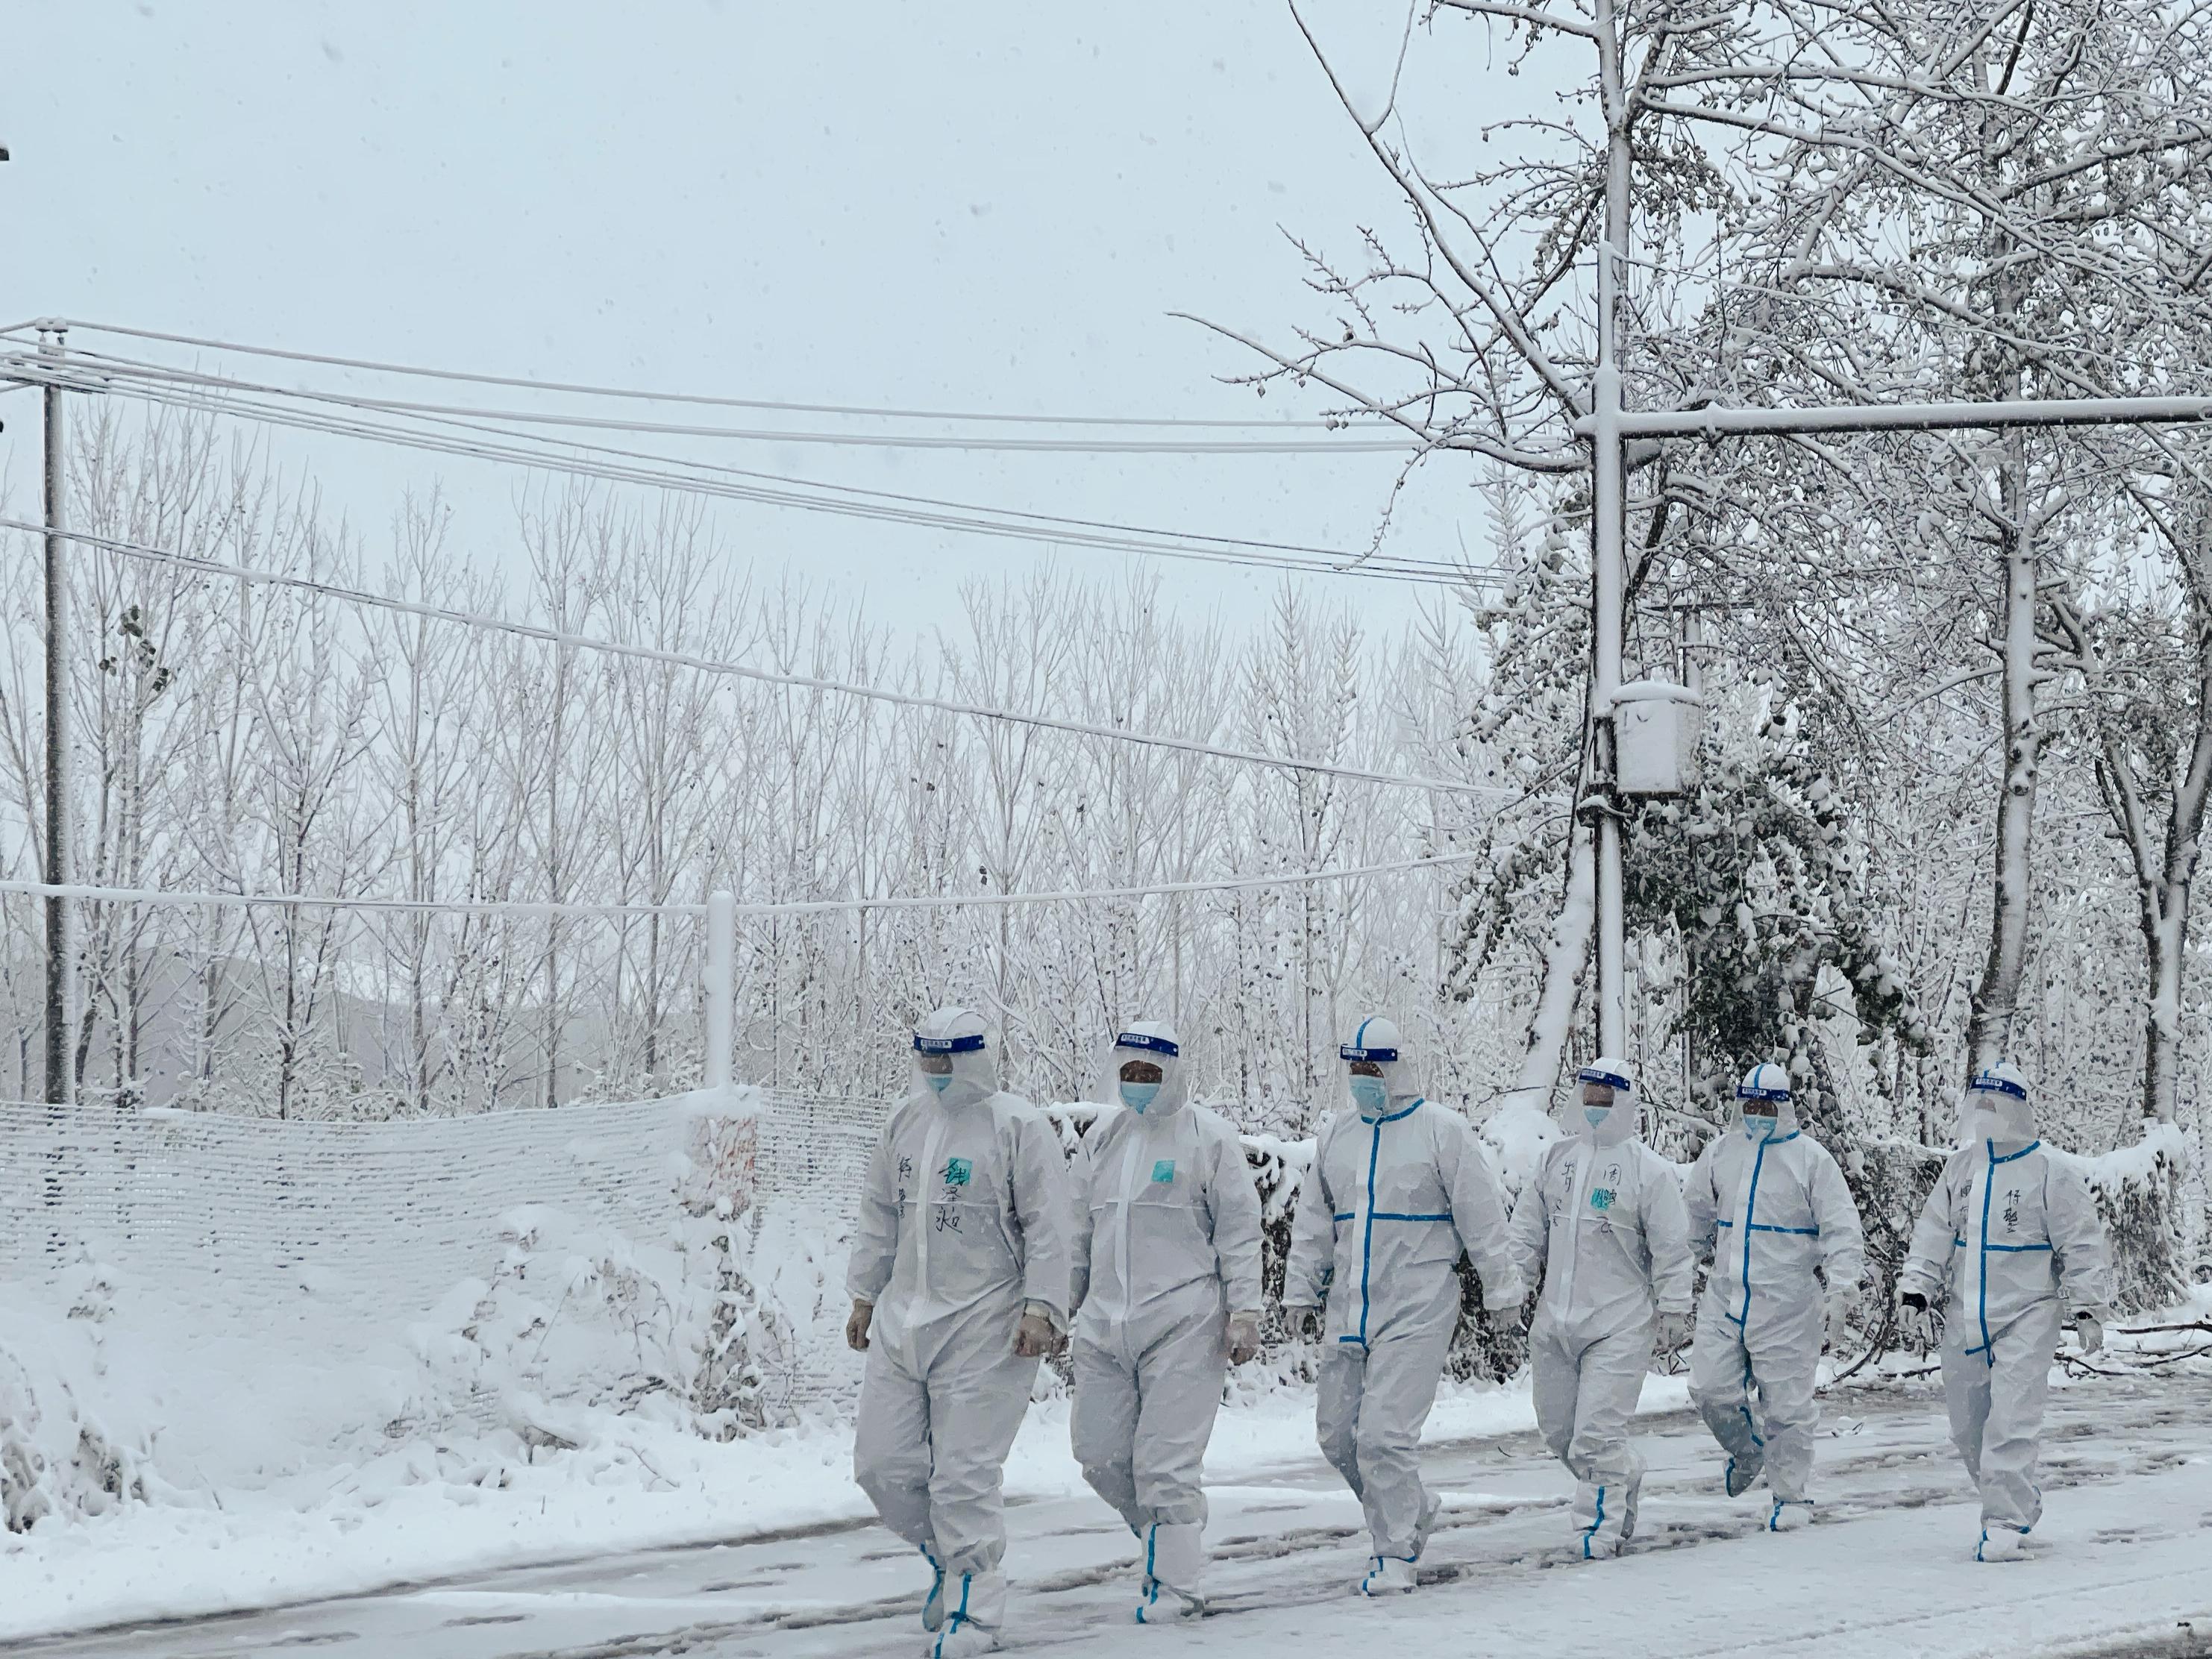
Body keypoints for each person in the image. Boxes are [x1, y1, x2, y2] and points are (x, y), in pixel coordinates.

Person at [846, 1006, 1075, 1658]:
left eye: (947, 1062)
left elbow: (1050, 1227)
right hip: (903, 1318)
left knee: (963, 1475)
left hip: (989, 1321)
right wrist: (865, 1294)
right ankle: (947, 1562)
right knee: (882, 1467)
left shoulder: (1017, 1127)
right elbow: (878, 1213)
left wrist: (1043, 1308)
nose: (936, 1074)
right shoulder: (905, 1121)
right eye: (927, 1061)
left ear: (974, 1057)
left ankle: (974, 1613)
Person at [1282, 1017, 1525, 1596]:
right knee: (1337, 1437)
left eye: (1373, 1068)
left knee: (1384, 1437)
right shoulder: (1337, 1136)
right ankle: (1413, 1505)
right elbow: (1315, 1223)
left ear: (1396, 1067)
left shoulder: (1441, 1131)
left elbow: (1481, 1217)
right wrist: (1299, 1289)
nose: (1363, 1079)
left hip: (1417, 1307)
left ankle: (1393, 1552)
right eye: (1355, 1069)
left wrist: (1503, 1291)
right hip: (1350, 1307)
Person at [1068, 1020, 1265, 1624]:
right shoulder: (1101, 1140)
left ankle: (1176, 1587)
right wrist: (1050, 1307)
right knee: (1099, 1455)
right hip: (1104, 1324)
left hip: (1185, 1319)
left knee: (1164, 1465)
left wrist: (1245, 1310)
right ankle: (1166, 1540)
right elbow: (1075, 1234)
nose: (1137, 1085)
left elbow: (1237, 1228)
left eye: (1148, 1074)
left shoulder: (1207, 1139)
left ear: (1173, 1073)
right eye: (1127, 1073)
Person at [1896, 1061, 2112, 1562]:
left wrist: (2086, 1308)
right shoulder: (1960, 1169)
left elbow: (2081, 1245)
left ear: (2018, 1110)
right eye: (1979, 1106)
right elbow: (1932, 1234)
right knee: (1967, 1425)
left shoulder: (2050, 1173)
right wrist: (1915, 1290)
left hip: (2028, 1313)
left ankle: (2003, 1522)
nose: (1985, 1116)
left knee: (2010, 1419)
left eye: (1995, 1106)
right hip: (1964, 1313)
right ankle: (2015, 1498)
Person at [1509, 1056, 1694, 1561]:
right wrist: (1513, 1283)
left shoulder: (1647, 1172)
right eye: (1587, 1097)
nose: (1594, 1108)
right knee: (1560, 1433)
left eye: (1605, 1099)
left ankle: (1595, 1531)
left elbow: (1672, 1246)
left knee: (1595, 1435)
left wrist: (1675, 1306)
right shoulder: (1556, 1160)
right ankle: (1623, 1473)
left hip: (1619, 1324)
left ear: (1624, 1102)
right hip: (1555, 1321)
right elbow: (1527, 1229)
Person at [1684, 1061, 1867, 1531]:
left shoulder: (1811, 1161)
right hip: (1726, 1297)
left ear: (1785, 1107)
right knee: (1708, 1389)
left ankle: (1791, 1497)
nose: (1758, 1114)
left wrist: (1843, 1287)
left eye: (1768, 1106)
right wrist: (1671, 1277)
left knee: (1787, 1407)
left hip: (1787, 1305)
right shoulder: (1721, 1154)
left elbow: (1841, 1227)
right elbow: (1691, 1221)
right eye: (1751, 1106)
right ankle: (1748, 1451)